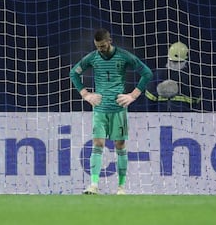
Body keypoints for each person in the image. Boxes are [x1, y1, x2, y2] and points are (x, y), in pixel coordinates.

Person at [70, 28, 153, 194]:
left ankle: (121, 187)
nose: (100, 49)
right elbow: (73, 73)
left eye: (103, 46)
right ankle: (93, 185)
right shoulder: (92, 57)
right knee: (98, 144)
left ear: (110, 41)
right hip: (100, 109)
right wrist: (85, 94)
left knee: (120, 145)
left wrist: (133, 95)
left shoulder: (123, 56)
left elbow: (147, 73)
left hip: (118, 109)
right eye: (97, 46)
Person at [144, 41, 200, 111]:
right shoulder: (191, 77)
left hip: (160, 118)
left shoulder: (158, 75)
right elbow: (197, 102)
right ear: (186, 59)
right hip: (186, 118)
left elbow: (149, 102)